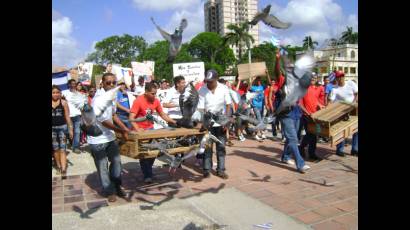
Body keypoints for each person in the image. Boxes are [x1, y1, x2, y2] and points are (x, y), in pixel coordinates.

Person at [87, 73, 130, 203]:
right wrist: (120, 130)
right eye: (108, 83)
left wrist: (125, 128)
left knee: (117, 163)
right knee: (102, 167)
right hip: (97, 140)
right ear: (102, 83)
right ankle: (109, 190)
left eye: (113, 82)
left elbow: (114, 115)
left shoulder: (111, 97)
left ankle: (117, 186)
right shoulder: (98, 99)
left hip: (109, 137)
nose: (111, 85)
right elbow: (103, 120)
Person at [129, 82, 177, 183]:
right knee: (144, 154)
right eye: (152, 93)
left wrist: (172, 121)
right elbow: (131, 118)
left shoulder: (156, 101)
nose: (154, 96)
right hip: (140, 131)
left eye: (155, 93)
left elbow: (162, 114)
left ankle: (148, 171)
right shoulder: (138, 101)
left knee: (154, 152)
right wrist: (137, 129)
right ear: (146, 92)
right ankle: (147, 175)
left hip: (151, 129)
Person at [198, 69, 232, 179]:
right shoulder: (202, 90)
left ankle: (220, 170)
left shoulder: (224, 88)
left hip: (221, 122)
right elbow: (201, 109)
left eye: (211, 81)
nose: (208, 83)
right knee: (207, 147)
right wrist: (204, 123)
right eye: (207, 81)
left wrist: (226, 121)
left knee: (221, 147)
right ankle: (207, 169)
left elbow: (228, 105)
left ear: (216, 79)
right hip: (208, 123)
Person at [329, 71, 358, 157]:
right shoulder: (335, 89)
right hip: (340, 111)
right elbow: (331, 101)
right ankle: (339, 150)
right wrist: (326, 109)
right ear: (336, 79)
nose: (341, 78)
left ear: (344, 77)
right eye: (338, 77)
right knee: (340, 130)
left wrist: (354, 103)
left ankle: (355, 149)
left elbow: (357, 94)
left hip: (353, 109)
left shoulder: (351, 83)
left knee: (356, 130)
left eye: (342, 76)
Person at [298, 74, 324, 161]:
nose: (313, 79)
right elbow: (300, 104)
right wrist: (307, 113)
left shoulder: (316, 89)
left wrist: (320, 105)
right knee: (311, 134)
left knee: (315, 134)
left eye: (315, 78)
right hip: (307, 116)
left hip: (316, 115)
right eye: (311, 78)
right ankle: (311, 153)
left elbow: (316, 101)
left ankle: (303, 148)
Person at [52, 85, 74, 179]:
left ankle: (63, 169)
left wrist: (70, 129)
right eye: (53, 92)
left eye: (57, 92)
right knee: (56, 149)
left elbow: (67, 116)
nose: (56, 94)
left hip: (62, 128)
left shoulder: (64, 103)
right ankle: (58, 166)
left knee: (63, 148)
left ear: (60, 93)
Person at [62, 79, 82, 153]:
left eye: (74, 84)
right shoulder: (65, 93)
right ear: (69, 85)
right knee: (67, 131)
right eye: (72, 84)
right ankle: (70, 142)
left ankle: (75, 147)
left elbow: (81, 105)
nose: (73, 85)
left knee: (77, 131)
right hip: (68, 116)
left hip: (77, 115)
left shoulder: (79, 94)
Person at [249, 76, 266, 141]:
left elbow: (270, 83)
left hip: (261, 105)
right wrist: (252, 80)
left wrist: (267, 74)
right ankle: (262, 133)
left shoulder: (262, 87)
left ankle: (255, 134)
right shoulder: (253, 87)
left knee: (259, 120)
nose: (259, 81)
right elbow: (248, 87)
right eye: (258, 80)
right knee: (259, 119)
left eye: (260, 80)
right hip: (255, 105)